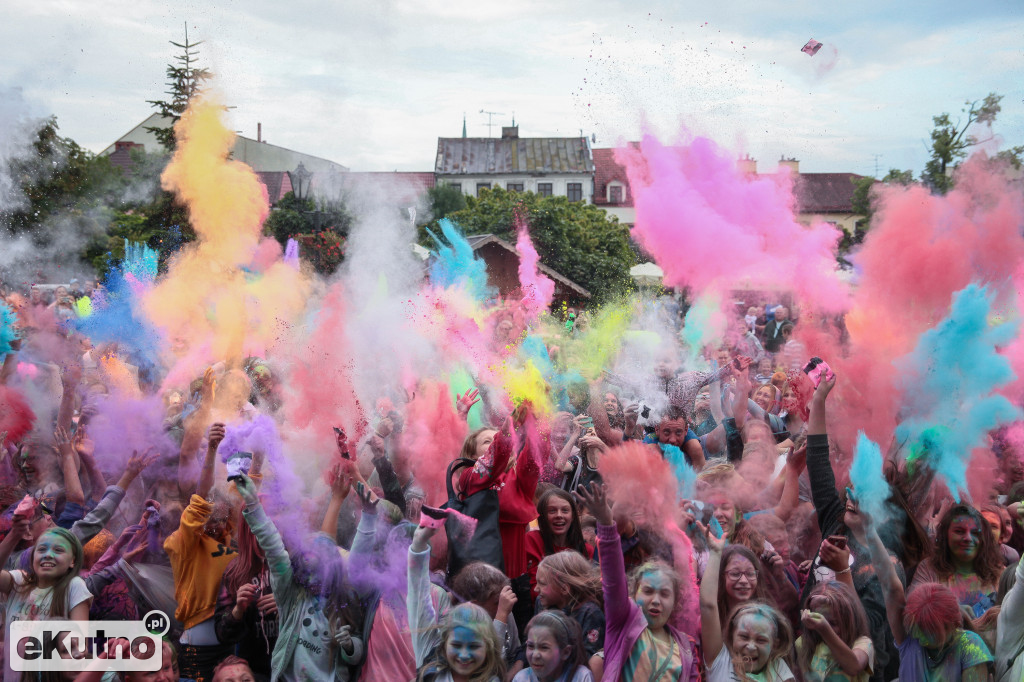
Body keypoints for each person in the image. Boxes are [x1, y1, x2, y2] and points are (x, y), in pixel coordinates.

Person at [235, 474, 364, 682]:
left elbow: (357, 650)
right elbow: (274, 549)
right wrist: (253, 505)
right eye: (307, 565)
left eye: (319, 566)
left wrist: (350, 646)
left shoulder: (342, 602)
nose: (312, 574)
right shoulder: (292, 597)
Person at [850, 498, 993, 681]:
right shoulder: (910, 639)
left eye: (930, 631)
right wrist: (869, 529)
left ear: (952, 626)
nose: (920, 636)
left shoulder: (970, 647)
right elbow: (891, 587)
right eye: (918, 628)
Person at [576, 483, 699, 682]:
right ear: (633, 595)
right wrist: (607, 524)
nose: (656, 600)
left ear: (676, 602)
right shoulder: (622, 624)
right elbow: (613, 579)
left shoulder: (686, 646)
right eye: (648, 591)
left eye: (665, 594)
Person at [407, 521, 506, 682]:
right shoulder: (432, 673)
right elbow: (418, 597)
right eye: (456, 645)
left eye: (473, 646)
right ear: (444, 644)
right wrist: (419, 545)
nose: (464, 655)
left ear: (488, 648)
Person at [699, 522, 795, 682]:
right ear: (730, 635)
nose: (743, 580)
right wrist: (716, 553)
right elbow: (708, 605)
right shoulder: (721, 658)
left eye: (761, 639)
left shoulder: (776, 666)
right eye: (735, 573)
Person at [0, 523, 92, 682]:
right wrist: (15, 534)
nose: (48, 554)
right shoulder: (19, 583)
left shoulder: (74, 587)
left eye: (58, 550)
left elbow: (78, 647)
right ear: (32, 557)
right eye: (42, 549)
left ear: (72, 561)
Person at [910, 503, 1003, 617]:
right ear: (945, 535)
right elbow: (912, 611)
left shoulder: (999, 573)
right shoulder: (930, 568)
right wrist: (949, 611)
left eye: (975, 533)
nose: (968, 538)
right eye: (959, 531)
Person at [796, 581, 874, 681]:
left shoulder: (863, 643)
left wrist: (825, 629)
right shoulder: (804, 644)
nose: (822, 626)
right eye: (818, 619)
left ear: (849, 620)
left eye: (833, 623)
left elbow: (854, 668)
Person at [535, 551, 605, 659]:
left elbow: (588, 657)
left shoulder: (590, 614)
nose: (536, 589)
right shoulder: (541, 603)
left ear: (564, 589)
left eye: (542, 583)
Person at [526, 488, 593, 596]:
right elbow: (536, 591)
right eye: (552, 511)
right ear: (542, 516)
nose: (559, 515)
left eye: (565, 510)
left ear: (573, 516)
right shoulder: (532, 540)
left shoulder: (586, 550)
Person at [515, 610, 595, 682]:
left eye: (544, 647)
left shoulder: (581, 677)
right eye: (530, 646)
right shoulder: (522, 678)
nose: (535, 655)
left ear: (565, 652)